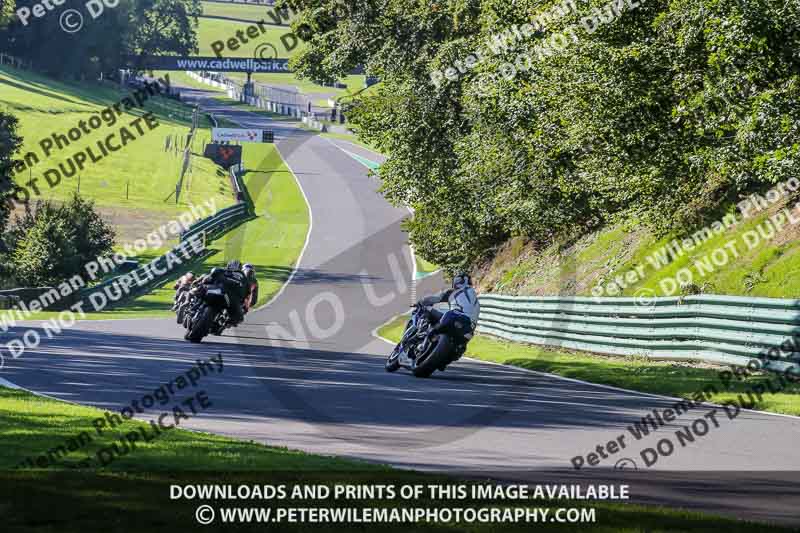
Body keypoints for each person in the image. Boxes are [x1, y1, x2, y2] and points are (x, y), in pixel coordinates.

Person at [415, 272, 480, 351]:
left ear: (457, 280)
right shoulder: (475, 299)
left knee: (427, 310)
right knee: (461, 347)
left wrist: (421, 301)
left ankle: (422, 334)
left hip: (455, 317)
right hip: (469, 329)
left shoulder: (454, 292)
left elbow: (436, 299)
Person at [205, 260, 248, 326]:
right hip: (226, 296)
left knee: (237, 317)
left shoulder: (224, 271)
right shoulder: (243, 277)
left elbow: (246, 292)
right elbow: (246, 293)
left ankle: (223, 322)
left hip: (226, 296)